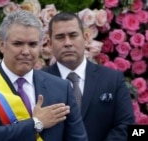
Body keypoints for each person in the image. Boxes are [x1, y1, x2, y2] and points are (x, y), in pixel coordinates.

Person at [0, 10, 88, 141]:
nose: (26, 51)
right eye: (18, 44)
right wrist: (37, 123)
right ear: (1, 44)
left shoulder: (61, 87)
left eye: (32, 44)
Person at [42, 11, 135, 141]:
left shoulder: (112, 79)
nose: (67, 43)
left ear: (86, 38)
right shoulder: (38, 80)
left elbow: (126, 125)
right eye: (60, 37)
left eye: (73, 35)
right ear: (50, 43)